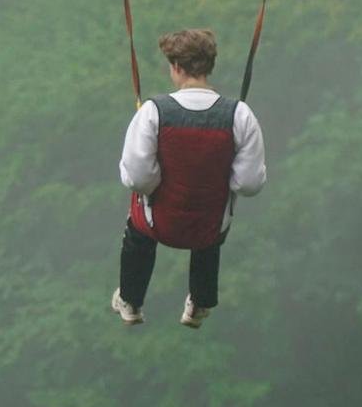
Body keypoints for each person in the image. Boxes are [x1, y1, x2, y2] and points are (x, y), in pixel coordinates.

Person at [113, 28, 266, 328]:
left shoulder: (153, 112)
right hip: (209, 225)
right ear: (210, 65)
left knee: (137, 222)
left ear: (176, 67)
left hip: (159, 223)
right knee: (212, 220)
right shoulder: (240, 115)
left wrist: (158, 184)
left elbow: (138, 177)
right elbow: (249, 183)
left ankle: (131, 300)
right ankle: (200, 301)